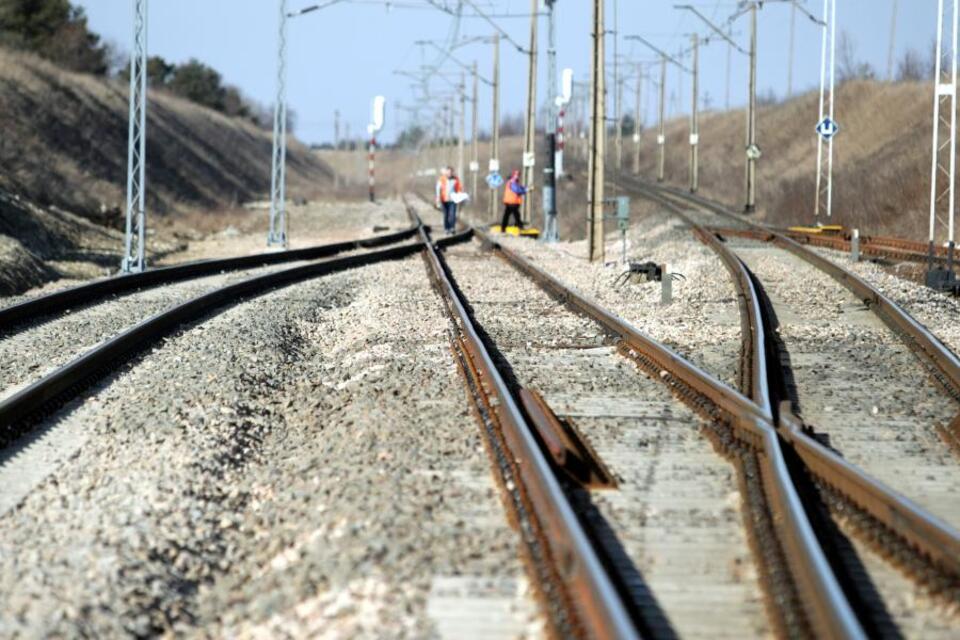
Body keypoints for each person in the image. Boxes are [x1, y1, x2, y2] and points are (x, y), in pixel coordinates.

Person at [435, 166, 463, 234]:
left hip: (453, 200)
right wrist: (438, 198)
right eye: (448, 172)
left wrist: (460, 196)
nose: (449, 173)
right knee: (446, 215)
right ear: (446, 172)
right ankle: (446, 228)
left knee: (452, 214)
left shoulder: (456, 179)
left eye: (451, 172)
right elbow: (438, 188)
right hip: (444, 199)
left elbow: (459, 188)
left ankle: (452, 228)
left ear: (452, 172)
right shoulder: (442, 179)